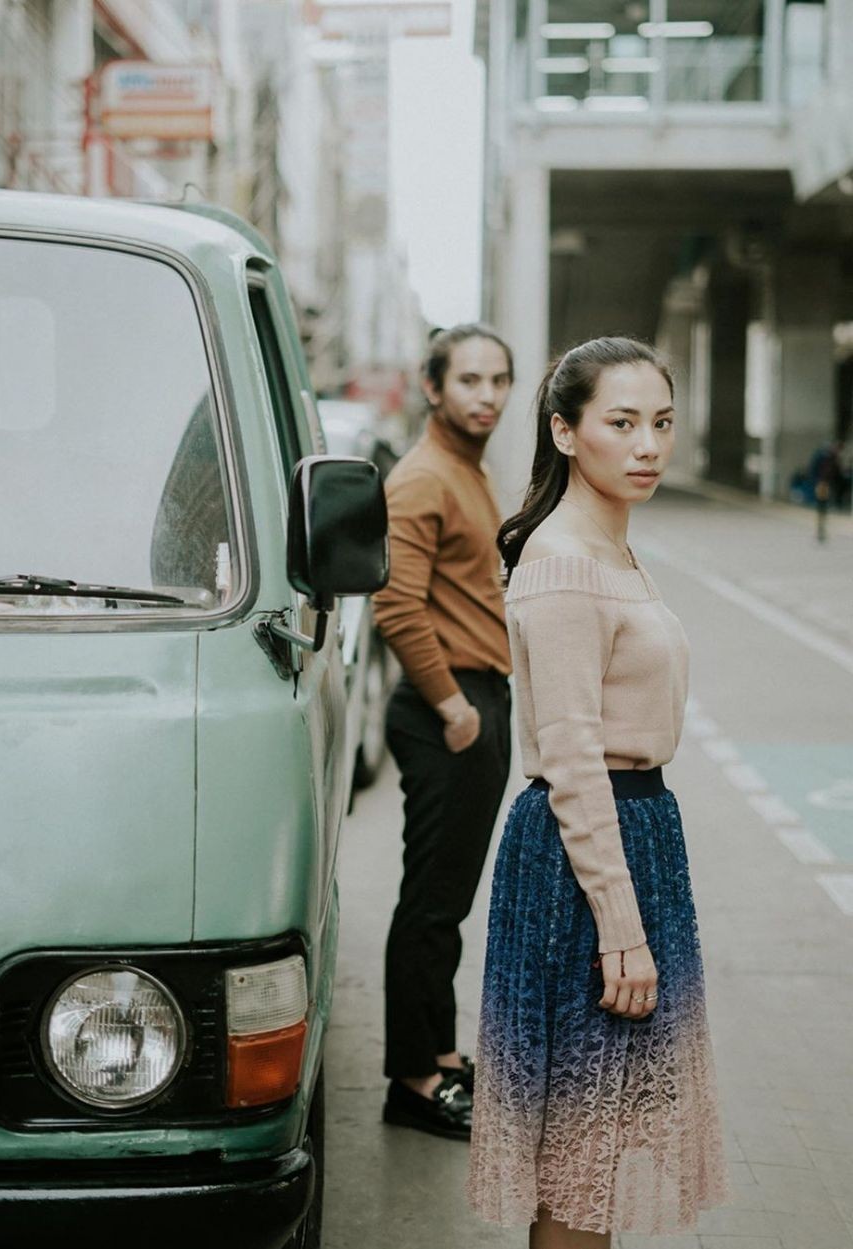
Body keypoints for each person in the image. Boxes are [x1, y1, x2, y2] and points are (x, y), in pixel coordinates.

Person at [467, 337, 729, 1244]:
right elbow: (573, 756)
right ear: (566, 433)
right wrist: (622, 931)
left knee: (607, 1144)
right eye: (621, 423)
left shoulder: (609, 547)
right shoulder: (565, 559)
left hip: (637, 837)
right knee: (581, 1150)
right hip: (588, 859)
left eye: (660, 422)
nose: (648, 444)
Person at [372, 324, 515, 1140]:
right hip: (447, 709)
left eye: (497, 379)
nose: (486, 394)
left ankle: (441, 1053)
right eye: (468, 379)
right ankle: (414, 1080)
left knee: (447, 901)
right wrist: (454, 708)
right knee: (429, 903)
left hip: (472, 700)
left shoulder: (468, 469)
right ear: (433, 388)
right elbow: (396, 603)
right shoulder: (424, 477)